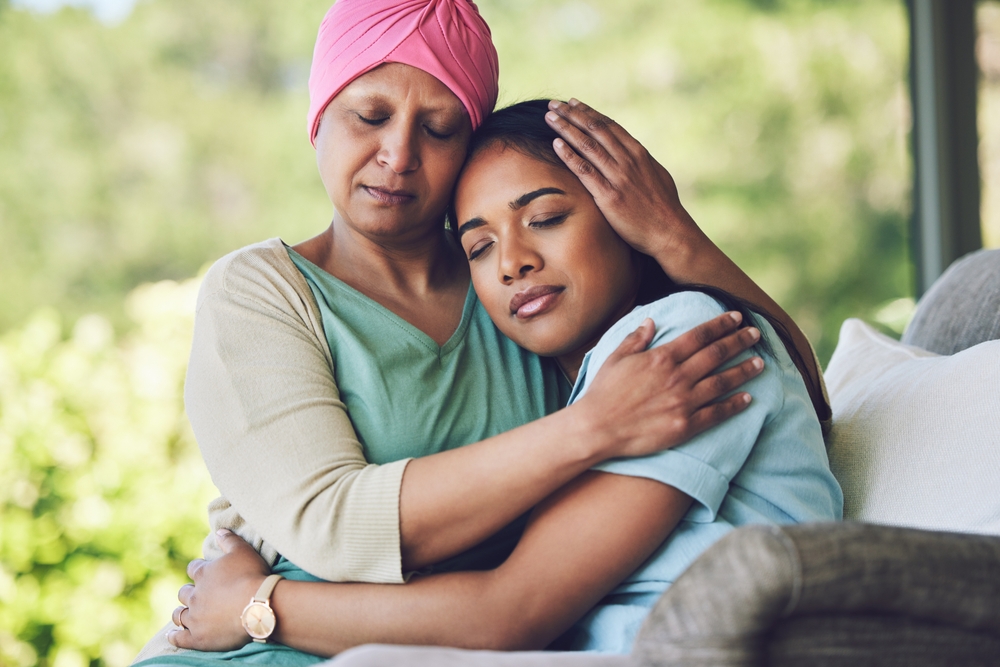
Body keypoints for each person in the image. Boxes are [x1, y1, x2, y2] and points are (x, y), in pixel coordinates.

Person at [133, 0, 830, 662]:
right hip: (258, 646)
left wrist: (674, 236)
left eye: (438, 130)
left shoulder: (524, 305)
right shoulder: (263, 290)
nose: (397, 154)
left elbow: (786, 388)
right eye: (369, 115)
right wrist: (594, 425)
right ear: (318, 117)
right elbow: (334, 527)